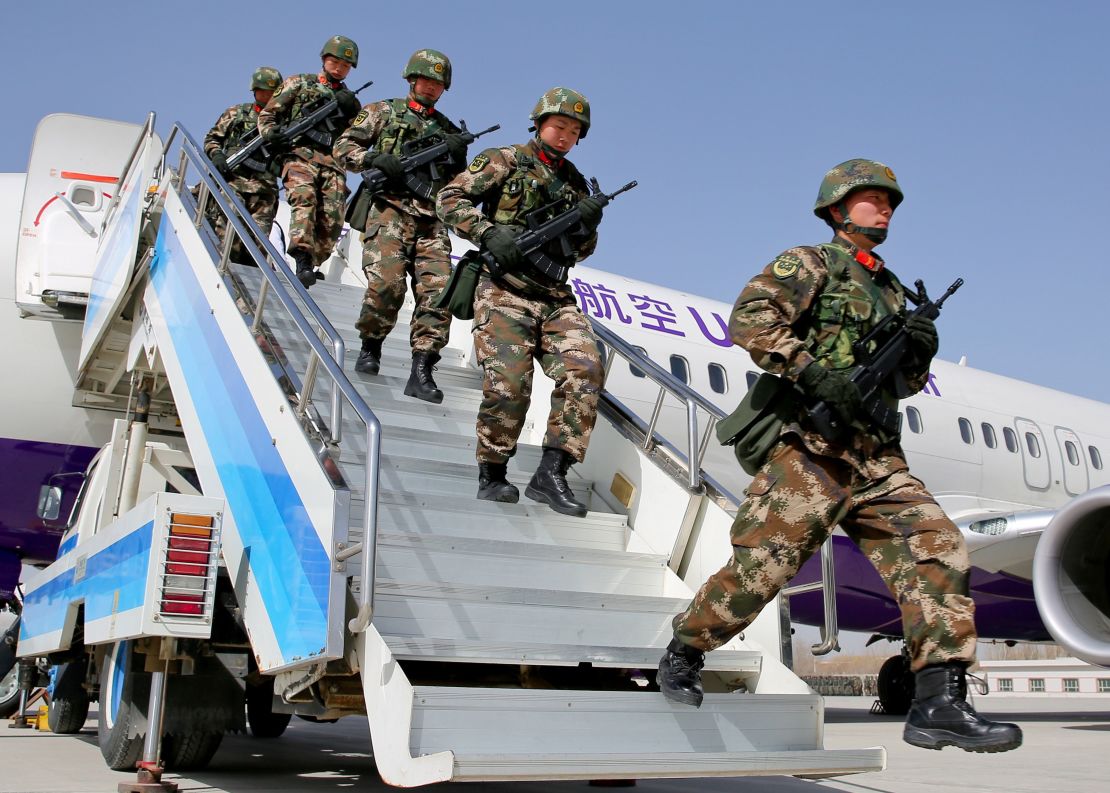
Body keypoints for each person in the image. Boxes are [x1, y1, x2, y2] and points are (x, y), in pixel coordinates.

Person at [656, 160, 1023, 754]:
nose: (884, 210)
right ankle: (686, 651)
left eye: (889, 203)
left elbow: (902, 383)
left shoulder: (893, 290)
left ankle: (940, 700)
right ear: (837, 208)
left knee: (939, 546)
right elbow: (749, 320)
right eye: (872, 200)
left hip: (877, 458)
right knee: (763, 569)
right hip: (809, 446)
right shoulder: (810, 262)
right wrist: (811, 372)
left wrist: (919, 352)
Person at [436, 88, 606, 517]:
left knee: (585, 367)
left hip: (553, 296)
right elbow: (449, 199)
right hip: (503, 289)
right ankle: (492, 473)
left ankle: (552, 472)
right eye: (559, 125)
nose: (565, 135)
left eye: (574, 131)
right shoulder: (503, 159)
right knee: (509, 385)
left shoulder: (575, 184)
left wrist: (586, 225)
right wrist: (488, 231)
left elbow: (581, 252)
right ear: (539, 122)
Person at [333, 49, 467, 403]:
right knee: (387, 284)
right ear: (411, 79)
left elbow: (460, 186)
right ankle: (370, 345)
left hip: (432, 222)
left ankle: (422, 369)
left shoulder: (448, 130)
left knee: (439, 294)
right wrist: (374, 158)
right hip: (389, 210)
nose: (431, 87)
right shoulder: (382, 112)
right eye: (425, 80)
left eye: (438, 84)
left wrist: (456, 154)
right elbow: (343, 148)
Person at [257, 35, 362, 288]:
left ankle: (313, 262)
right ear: (324, 59)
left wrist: (353, 112)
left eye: (345, 65)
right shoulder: (299, 83)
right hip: (299, 155)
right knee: (304, 200)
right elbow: (269, 114)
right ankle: (302, 258)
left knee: (333, 218)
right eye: (335, 61)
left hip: (332, 163)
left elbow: (356, 137)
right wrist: (272, 134)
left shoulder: (351, 100)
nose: (339, 68)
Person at [200, 66, 282, 260]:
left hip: (265, 191)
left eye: (273, 92)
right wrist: (218, 156)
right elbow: (212, 139)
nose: (268, 95)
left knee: (258, 245)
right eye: (264, 91)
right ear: (255, 90)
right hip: (233, 182)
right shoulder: (237, 113)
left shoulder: (282, 123)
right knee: (230, 234)